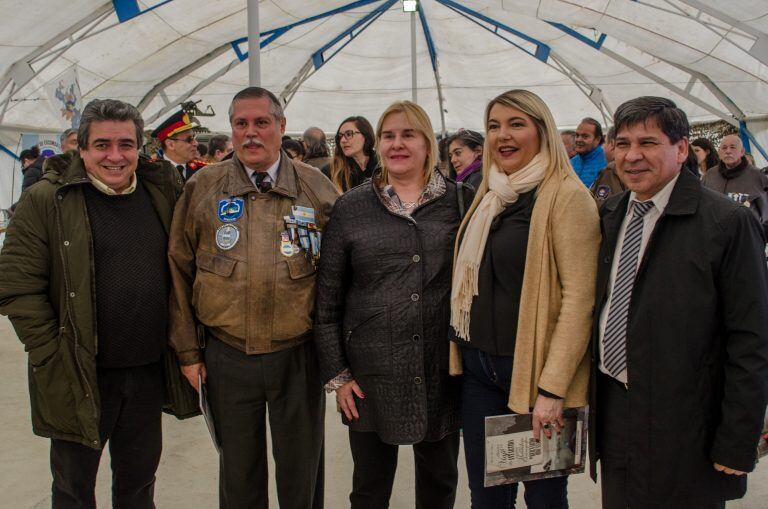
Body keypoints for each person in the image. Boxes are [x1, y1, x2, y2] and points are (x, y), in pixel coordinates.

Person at [0, 98, 193, 508]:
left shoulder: (161, 194)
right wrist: (51, 351)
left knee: (138, 485)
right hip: (78, 371)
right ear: (81, 149)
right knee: (73, 489)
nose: (115, 156)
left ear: (140, 148)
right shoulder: (47, 200)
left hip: (145, 371)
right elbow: (16, 284)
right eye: (102, 145)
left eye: (126, 145)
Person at [590, 96, 768, 509]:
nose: (632, 156)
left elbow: (752, 340)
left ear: (682, 149)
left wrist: (737, 440)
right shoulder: (612, 214)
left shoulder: (727, 223)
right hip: (617, 409)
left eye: (648, 143)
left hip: (689, 424)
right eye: (623, 143)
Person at [168, 86, 338, 509]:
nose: (250, 133)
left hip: (297, 355)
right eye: (240, 124)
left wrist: (337, 356)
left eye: (261, 122)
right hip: (227, 355)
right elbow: (179, 269)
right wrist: (189, 352)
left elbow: (340, 276)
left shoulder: (316, 189)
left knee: (302, 472)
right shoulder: (203, 187)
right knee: (239, 474)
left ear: (281, 126)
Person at [450, 89, 600, 508]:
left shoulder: (566, 197)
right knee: (487, 497)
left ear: (543, 131)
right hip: (480, 372)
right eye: (495, 126)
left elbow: (579, 298)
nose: (503, 135)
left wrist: (552, 389)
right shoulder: (491, 193)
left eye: (517, 124)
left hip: (535, 376)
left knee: (544, 497)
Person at [315, 101, 464, 509]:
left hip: (439, 372)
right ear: (378, 144)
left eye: (409, 134)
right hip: (369, 376)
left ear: (428, 143)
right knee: (369, 488)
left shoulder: (461, 203)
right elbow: (326, 304)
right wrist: (338, 376)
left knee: (439, 484)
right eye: (389, 135)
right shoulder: (351, 208)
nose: (397, 144)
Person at [702, 134, 768, 233]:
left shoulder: (758, 176)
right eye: (724, 148)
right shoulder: (710, 175)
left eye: (732, 147)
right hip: (716, 236)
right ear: (719, 152)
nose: (728, 151)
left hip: (746, 235)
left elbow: (765, 212)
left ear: (742, 152)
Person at [324, 115, 378, 192]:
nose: (342, 140)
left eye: (348, 134)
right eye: (340, 136)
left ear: (365, 135)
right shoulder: (330, 172)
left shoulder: (383, 166)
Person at [152, 109, 205, 180]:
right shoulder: (151, 172)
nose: (196, 143)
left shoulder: (202, 171)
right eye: (189, 139)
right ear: (170, 144)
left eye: (194, 137)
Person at [590, 126, 626, 205]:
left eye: (605, 143)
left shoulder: (610, 171)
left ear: (612, 144)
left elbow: (602, 205)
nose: (603, 147)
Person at [570, 118, 607, 187]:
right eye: (577, 135)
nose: (578, 139)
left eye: (585, 136)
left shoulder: (606, 164)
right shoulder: (571, 162)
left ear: (597, 139)